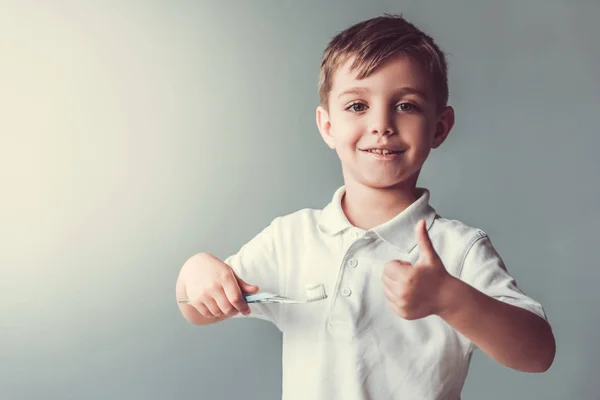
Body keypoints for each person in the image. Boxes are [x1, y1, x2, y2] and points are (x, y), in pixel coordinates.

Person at [175, 14, 556, 400]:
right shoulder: (291, 239)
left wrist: (451, 299)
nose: (381, 124)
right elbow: (197, 309)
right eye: (357, 105)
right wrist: (196, 270)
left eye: (406, 105)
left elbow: (538, 353)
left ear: (439, 127)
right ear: (327, 126)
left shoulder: (458, 250)